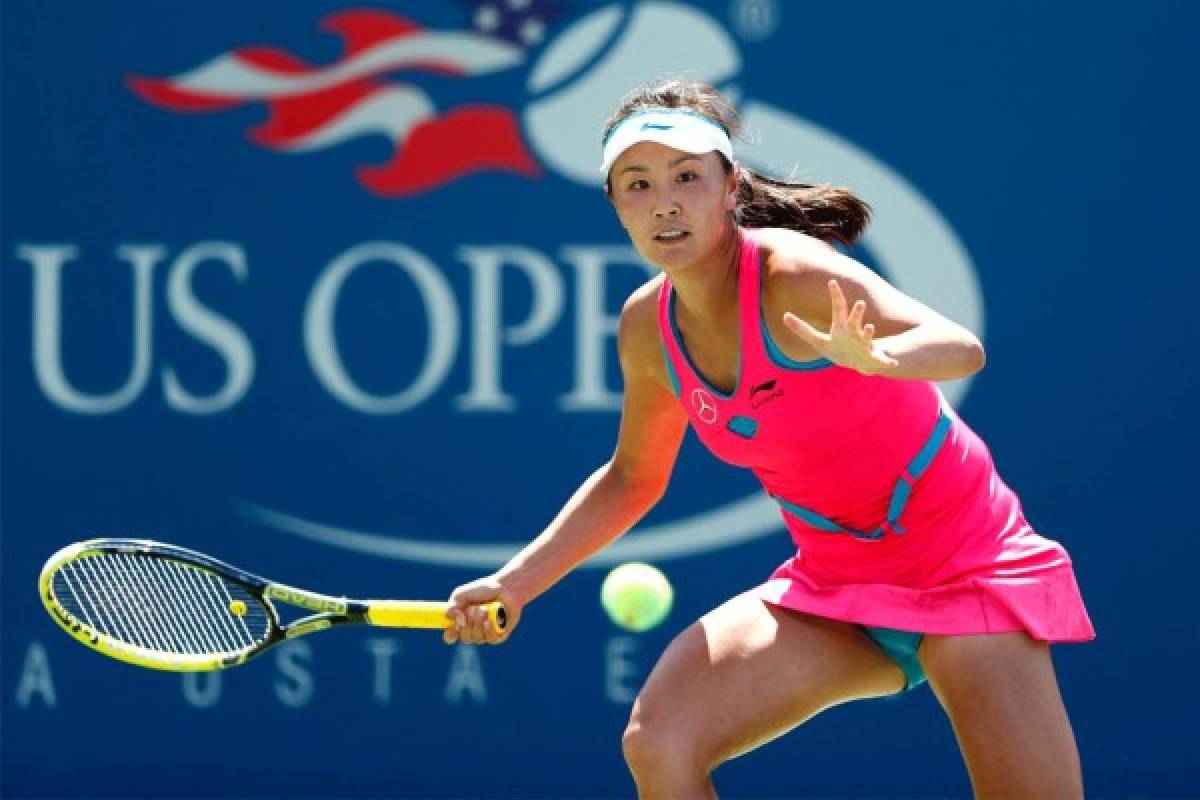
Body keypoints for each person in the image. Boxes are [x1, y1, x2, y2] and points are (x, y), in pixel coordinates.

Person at [443, 78, 1094, 799]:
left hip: (965, 565)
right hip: (835, 584)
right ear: (617, 206)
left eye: (688, 177)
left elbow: (959, 346)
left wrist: (881, 359)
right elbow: (633, 478)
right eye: (638, 184)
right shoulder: (644, 330)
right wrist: (515, 583)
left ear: (730, 188)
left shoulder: (792, 274)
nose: (664, 201)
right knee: (659, 743)